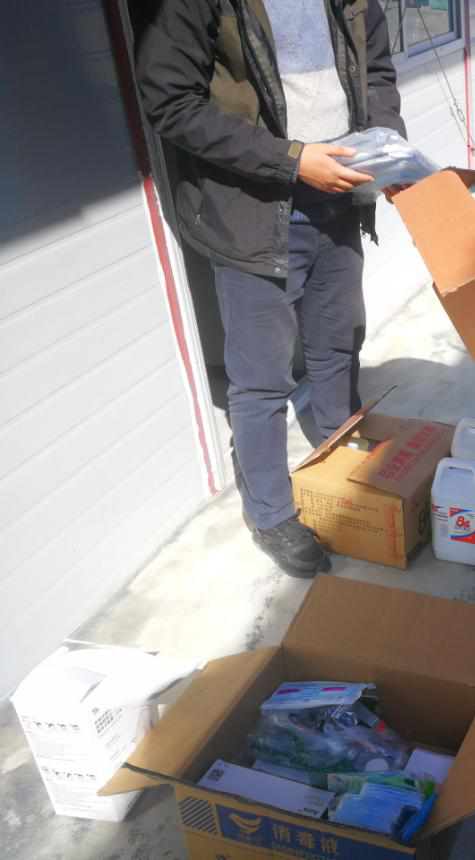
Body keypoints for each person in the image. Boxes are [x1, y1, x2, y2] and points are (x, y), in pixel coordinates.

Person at [135, 0, 404, 576]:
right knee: (261, 380)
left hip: (341, 202)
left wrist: (385, 142)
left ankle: (340, 456)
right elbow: (171, 102)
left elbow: (378, 72)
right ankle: (271, 513)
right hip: (253, 211)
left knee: (338, 347)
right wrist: (292, 161)